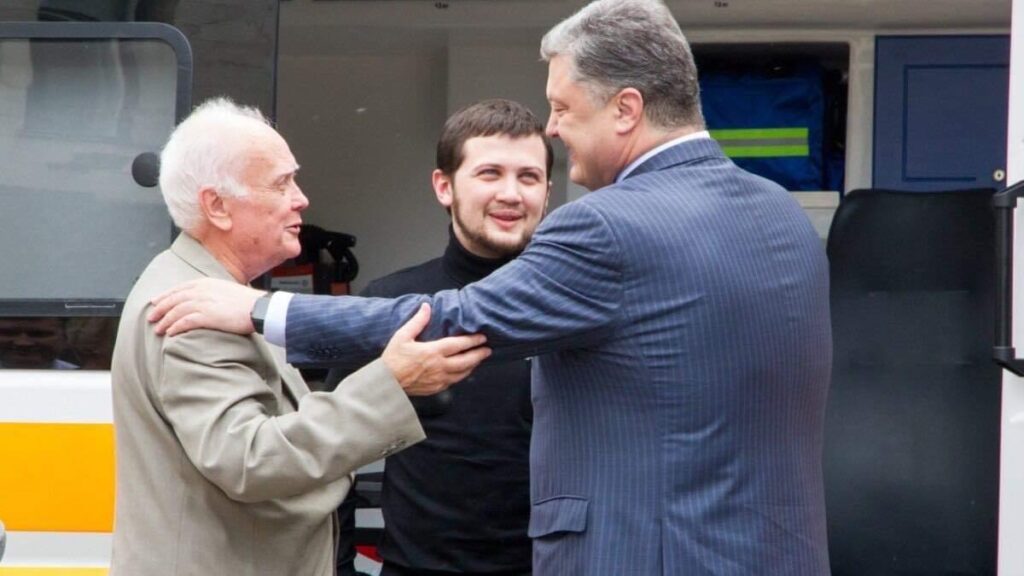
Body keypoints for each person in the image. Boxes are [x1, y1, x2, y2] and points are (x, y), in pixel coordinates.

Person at [148, 1, 833, 573]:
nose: (555, 128)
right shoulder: (782, 215)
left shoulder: (607, 224)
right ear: (444, 187)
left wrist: (262, 308)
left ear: (626, 109)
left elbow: (457, 319)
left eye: (562, 108)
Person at [110, 97, 490, 576]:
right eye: (281, 183)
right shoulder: (193, 310)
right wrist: (391, 384)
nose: (301, 199)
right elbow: (250, 461)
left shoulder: (218, 293)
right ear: (217, 206)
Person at [335, 99, 551, 576]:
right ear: (444, 186)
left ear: (547, 192)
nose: (511, 193)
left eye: (529, 177)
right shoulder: (390, 304)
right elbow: (330, 456)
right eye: (490, 173)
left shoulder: (573, 310)